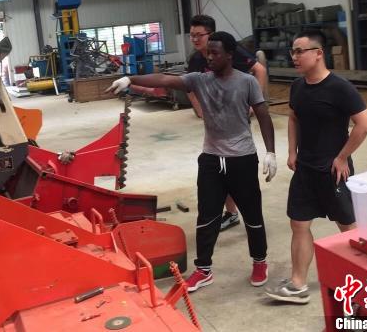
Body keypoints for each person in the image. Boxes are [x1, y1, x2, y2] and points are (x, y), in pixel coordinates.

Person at [107, 31, 277, 292]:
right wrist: (130, 78)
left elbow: (264, 116)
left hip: (242, 159)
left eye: (215, 53)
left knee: (252, 214)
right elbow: (165, 79)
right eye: (208, 53)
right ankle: (203, 270)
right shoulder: (199, 80)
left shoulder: (247, 82)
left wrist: (271, 152)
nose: (209, 57)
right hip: (211, 159)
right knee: (207, 216)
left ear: (229, 55)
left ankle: (259, 261)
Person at [265, 30, 367, 304]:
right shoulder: (298, 87)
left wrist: (342, 157)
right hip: (305, 169)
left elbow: (364, 124)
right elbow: (293, 118)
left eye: (300, 51)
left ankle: (362, 286)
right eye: (293, 51)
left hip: (333, 171)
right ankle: (298, 284)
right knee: (299, 224)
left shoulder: (340, 88)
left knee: (347, 227)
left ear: (318, 53)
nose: (294, 57)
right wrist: (292, 151)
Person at [188, 15, 269, 231]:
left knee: (235, 168)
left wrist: (254, 103)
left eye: (199, 35)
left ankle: (248, 216)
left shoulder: (232, 52)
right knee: (218, 167)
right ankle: (231, 213)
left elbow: (260, 70)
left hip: (237, 120)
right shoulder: (196, 60)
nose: (195, 39)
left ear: (211, 34)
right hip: (216, 126)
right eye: (192, 35)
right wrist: (200, 110)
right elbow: (188, 86)